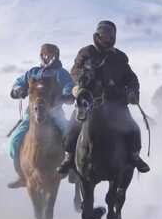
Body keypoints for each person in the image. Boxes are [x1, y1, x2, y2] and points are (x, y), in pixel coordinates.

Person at [56, 20, 150, 174]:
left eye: (110, 36)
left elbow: (131, 78)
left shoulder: (120, 57)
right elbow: (75, 71)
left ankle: (134, 156)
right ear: (97, 36)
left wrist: (133, 92)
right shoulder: (86, 52)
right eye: (104, 36)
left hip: (116, 103)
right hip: (90, 101)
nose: (107, 39)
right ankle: (69, 156)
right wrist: (83, 78)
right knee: (74, 125)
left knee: (133, 128)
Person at [7, 44, 74, 188]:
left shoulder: (60, 73)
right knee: (14, 141)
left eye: (49, 54)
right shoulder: (33, 72)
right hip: (32, 114)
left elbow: (69, 85)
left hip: (54, 112)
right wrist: (18, 89)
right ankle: (22, 175)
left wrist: (65, 96)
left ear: (55, 56)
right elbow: (19, 82)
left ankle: (72, 167)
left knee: (70, 134)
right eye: (44, 54)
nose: (46, 57)